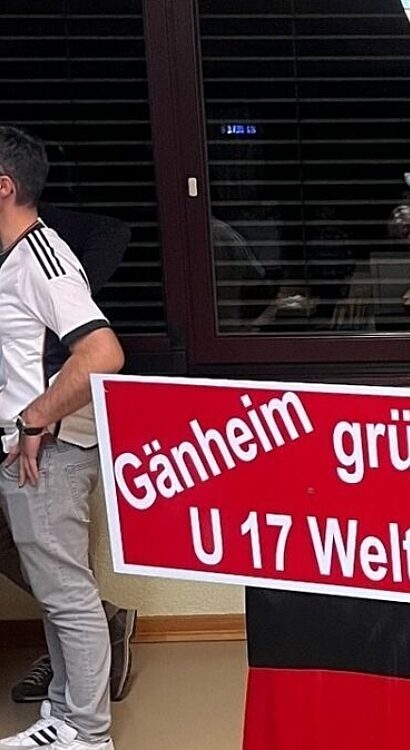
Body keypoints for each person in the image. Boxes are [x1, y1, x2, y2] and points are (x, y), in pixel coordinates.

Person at [0, 126, 125, 750]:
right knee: (55, 592)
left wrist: (32, 419)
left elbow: (102, 352)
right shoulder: (11, 258)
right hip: (26, 451)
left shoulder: (41, 257)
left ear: (4, 186)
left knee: (68, 595)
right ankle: (63, 716)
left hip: (47, 454)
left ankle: (87, 732)